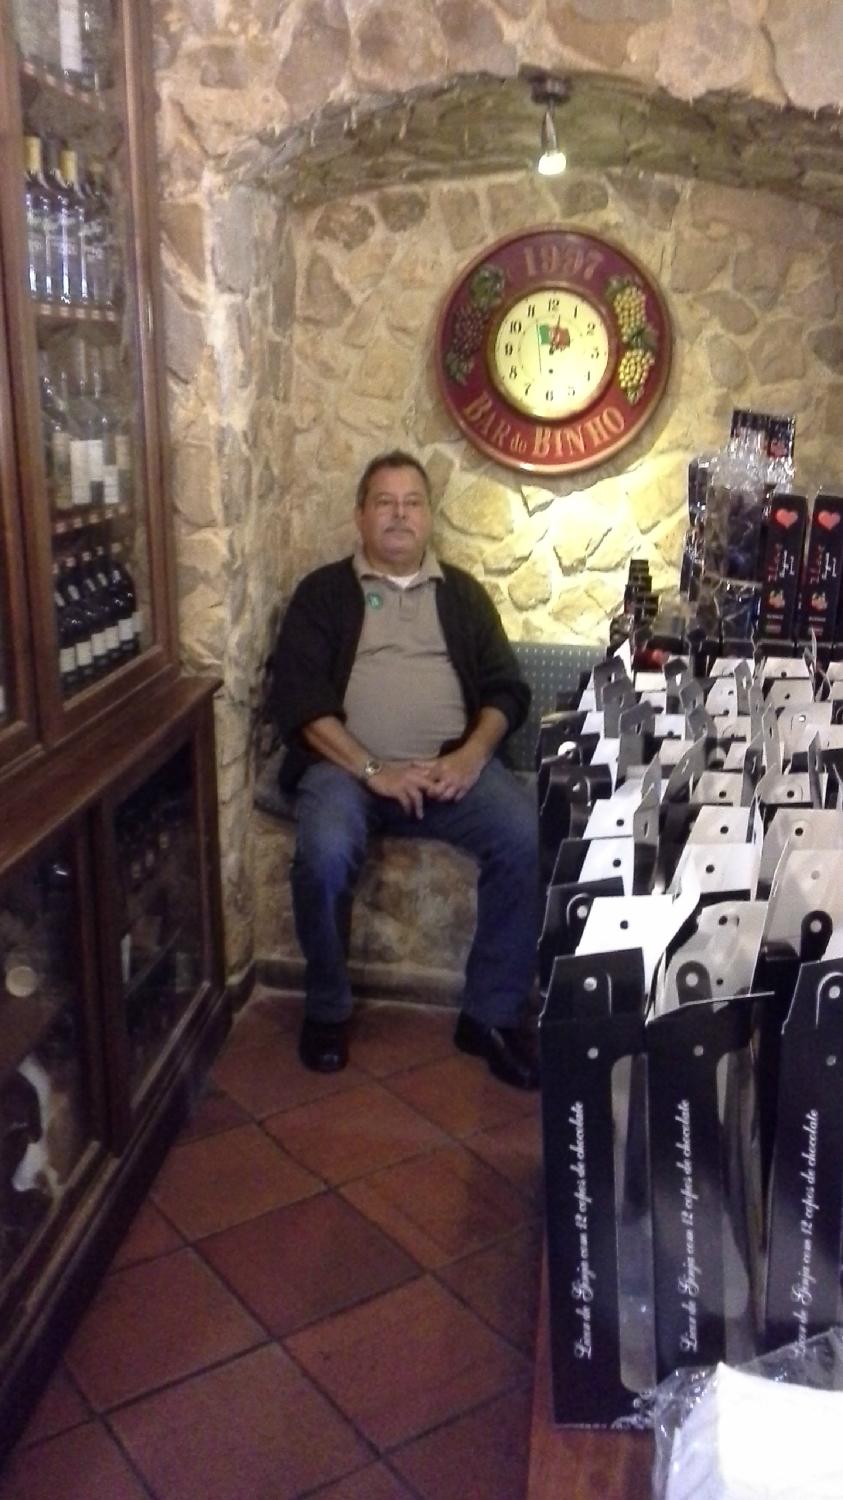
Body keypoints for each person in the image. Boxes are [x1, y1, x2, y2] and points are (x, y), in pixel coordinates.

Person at [270, 450, 540, 1089]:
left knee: (526, 835)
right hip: (345, 771)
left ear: (428, 516)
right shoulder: (322, 594)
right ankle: (327, 1008)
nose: (399, 515)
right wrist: (373, 770)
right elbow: (300, 701)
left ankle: (490, 1016)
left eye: (412, 503)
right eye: (384, 503)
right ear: (360, 516)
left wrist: (470, 756)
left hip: (451, 771)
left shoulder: (463, 595)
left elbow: (506, 690)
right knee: (323, 851)